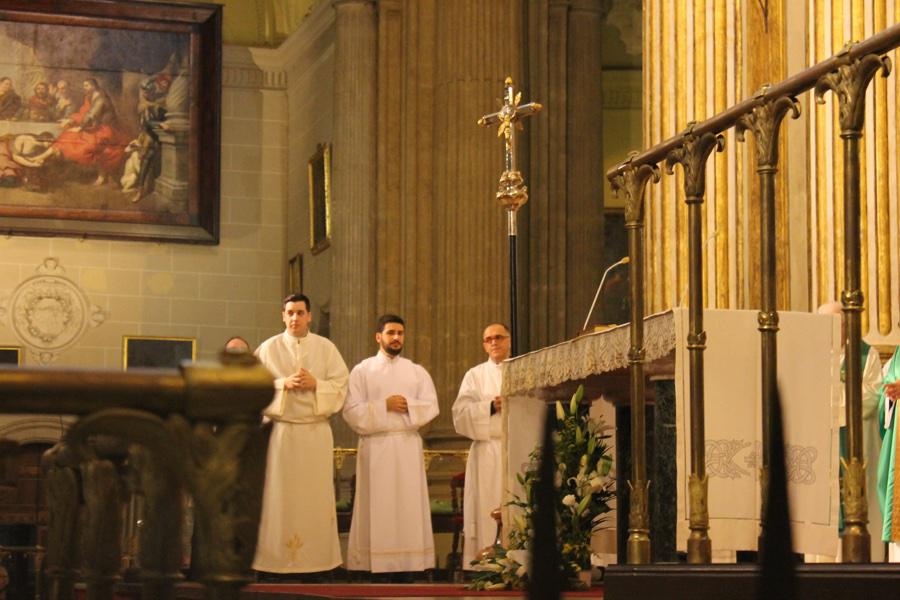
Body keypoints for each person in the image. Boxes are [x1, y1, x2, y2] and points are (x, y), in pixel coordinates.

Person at [252, 294, 349, 576]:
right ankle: (273, 563)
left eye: (300, 313)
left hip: (314, 433)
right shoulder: (268, 348)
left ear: (309, 316)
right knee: (277, 498)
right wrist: (283, 384)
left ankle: (317, 563)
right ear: (282, 315)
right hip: (280, 433)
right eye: (290, 313)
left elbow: (342, 386)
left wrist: (316, 384)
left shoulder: (326, 348)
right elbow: (255, 389)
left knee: (314, 499)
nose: (295, 318)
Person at [343, 314, 439, 576]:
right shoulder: (362, 370)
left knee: (408, 505)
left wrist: (409, 406)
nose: (396, 338)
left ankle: (411, 564)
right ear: (378, 337)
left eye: (400, 333)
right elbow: (350, 410)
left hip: (407, 446)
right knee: (378, 505)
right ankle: (373, 563)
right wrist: (383, 406)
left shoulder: (416, 371)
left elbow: (432, 405)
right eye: (390, 333)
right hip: (376, 448)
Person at [817, 301, 883, 561]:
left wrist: (836, 405)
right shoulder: (813, 354)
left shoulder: (867, 355)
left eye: (835, 324)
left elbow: (873, 395)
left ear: (846, 324)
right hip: (823, 447)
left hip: (856, 446)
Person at [452, 323, 510, 569]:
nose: (494, 342)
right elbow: (460, 414)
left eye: (499, 337)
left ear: (509, 340)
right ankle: (485, 564)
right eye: (488, 339)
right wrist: (489, 407)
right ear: (484, 345)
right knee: (486, 508)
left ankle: (516, 561)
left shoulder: (523, 370)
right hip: (486, 451)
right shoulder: (474, 375)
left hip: (514, 448)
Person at [33, 77, 130, 185]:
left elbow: (91, 116)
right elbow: (83, 112)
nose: (84, 88)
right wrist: (70, 119)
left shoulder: (101, 99)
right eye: (84, 86)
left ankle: (102, 176)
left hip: (106, 130)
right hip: (94, 128)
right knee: (67, 135)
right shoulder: (89, 97)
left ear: (93, 86)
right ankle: (42, 157)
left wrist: (80, 128)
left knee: (86, 146)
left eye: (86, 86)